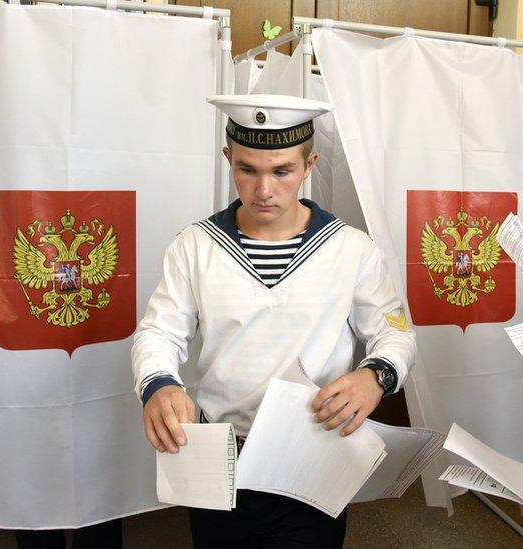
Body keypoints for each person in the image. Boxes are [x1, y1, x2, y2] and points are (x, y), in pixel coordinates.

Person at [131, 94, 416, 548]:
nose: (264, 189)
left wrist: (375, 376)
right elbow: (159, 331)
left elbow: (395, 333)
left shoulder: (351, 247)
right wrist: (158, 384)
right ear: (228, 159)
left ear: (309, 165)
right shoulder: (194, 245)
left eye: (281, 171)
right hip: (220, 450)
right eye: (248, 169)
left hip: (312, 449)